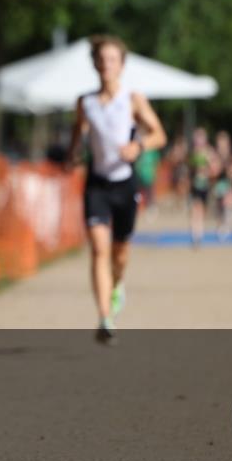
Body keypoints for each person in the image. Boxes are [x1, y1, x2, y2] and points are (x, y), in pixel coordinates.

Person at [67, 35, 166, 344]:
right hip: (96, 184)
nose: (106, 64)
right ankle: (104, 317)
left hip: (125, 183)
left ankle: (118, 283)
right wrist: (73, 154)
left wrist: (138, 146)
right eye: (101, 59)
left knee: (119, 253)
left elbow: (159, 135)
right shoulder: (85, 102)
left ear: (121, 65)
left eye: (112, 59)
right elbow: (78, 133)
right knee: (99, 249)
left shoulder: (133, 99)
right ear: (95, 64)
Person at [187, 127, 218, 247]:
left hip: (205, 186)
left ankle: (199, 234)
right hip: (194, 186)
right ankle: (195, 235)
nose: (198, 141)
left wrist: (206, 170)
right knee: (195, 209)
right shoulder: (192, 153)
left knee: (202, 211)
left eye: (200, 138)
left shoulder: (209, 152)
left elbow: (215, 169)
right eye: (197, 138)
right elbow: (189, 168)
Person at [212, 130, 232, 240]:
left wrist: (228, 167)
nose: (221, 146)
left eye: (223, 143)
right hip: (218, 185)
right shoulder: (215, 155)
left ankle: (226, 225)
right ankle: (221, 225)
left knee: (227, 202)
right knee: (219, 208)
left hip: (229, 184)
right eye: (219, 143)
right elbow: (213, 171)